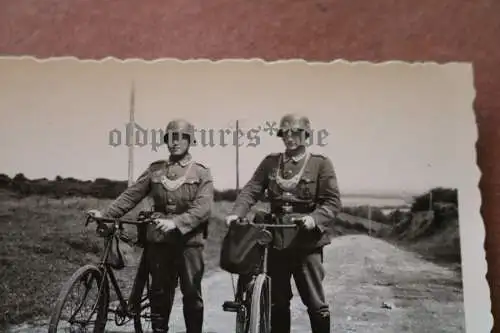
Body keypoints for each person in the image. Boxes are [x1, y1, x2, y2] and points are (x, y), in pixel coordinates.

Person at [87, 119, 214, 333]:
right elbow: (130, 196)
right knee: (159, 294)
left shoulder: (201, 173)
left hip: (189, 242)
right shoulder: (155, 170)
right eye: (169, 139)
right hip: (160, 240)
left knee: (191, 294)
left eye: (179, 138)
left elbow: (203, 208)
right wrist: (106, 216)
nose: (174, 143)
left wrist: (176, 222)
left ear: (189, 141)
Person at [225, 113, 341, 333]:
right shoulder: (271, 162)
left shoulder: (320, 164)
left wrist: (314, 219)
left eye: (296, 132)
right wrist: (236, 212)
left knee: (315, 302)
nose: (290, 137)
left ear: (306, 134)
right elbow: (251, 190)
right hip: (276, 240)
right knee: (277, 301)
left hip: (306, 242)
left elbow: (332, 202)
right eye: (285, 133)